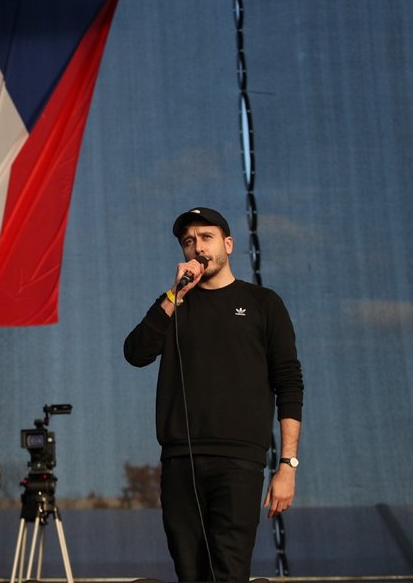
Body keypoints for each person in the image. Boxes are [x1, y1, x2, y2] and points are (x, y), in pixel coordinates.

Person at [123, 207, 304, 582]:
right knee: (189, 572)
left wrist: (287, 465)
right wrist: (175, 294)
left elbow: (289, 383)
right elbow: (136, 353)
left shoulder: (263, 304)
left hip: (238, 461)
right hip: (180, 460)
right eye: (188, 241)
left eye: (206, 237)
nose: (197, 247)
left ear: (228, 244)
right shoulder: (174, 304)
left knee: (228, 571)